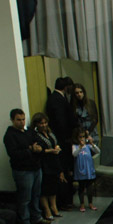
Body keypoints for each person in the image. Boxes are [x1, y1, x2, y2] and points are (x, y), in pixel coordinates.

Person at [3, 108, 46, 224]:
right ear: (12, 120)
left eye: (23, 119)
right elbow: (14, 154)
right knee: (25, 198)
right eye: (18, 120)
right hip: (23, 170)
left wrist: (38, 148)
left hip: (36, 167)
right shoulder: (10, 135)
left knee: (36, 194)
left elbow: (39, 142)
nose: (22, 122)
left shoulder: (29, 131)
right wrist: (30, 150)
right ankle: (25, 222)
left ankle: (36, 217)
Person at [45, 77, 77, 208]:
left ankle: (66, 198)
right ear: (66, 87)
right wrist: (66, 138)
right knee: (64, 169)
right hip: (62, 141)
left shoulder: (56, 98)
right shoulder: (57, 99)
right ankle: (64, 200)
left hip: (62, 140)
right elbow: (61, 121)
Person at [30, 112, 64, 220]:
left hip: (54, 162)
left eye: (45, 123)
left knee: (53, 186)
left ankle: (54, 207)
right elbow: (39, 150)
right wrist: (51, 150)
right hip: (44, 163)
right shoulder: (35, 135)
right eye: (41, 123)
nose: (44, 125)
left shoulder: (49, 132)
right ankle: (47, 210)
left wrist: (57, 147)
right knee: (45, 188)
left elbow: (55, 142)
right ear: (36, 124)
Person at [71, 127, 101, 212]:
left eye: (83, 137)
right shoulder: (75, 146)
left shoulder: (88, 146)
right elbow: (74, 154)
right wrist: (80, 147)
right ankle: (82, 204)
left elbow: (98, 151)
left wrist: (92, 144)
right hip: (80, 169)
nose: (82, 139)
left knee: (90, 187)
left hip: (89, 168)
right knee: (81, 187)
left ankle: (90, 203)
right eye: (80, 137)